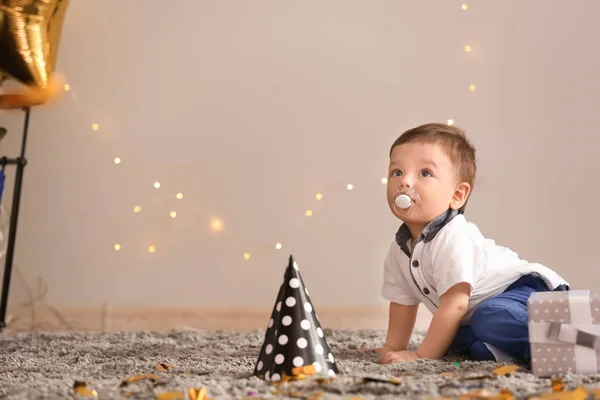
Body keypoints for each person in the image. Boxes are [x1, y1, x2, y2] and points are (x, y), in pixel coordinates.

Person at [364, 123, 568, 365]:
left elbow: (455, 304)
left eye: (425, 173)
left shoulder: (454, 238)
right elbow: (402, 302)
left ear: (457, 195)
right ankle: (520, 353)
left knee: (488, 318)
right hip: (478, 315)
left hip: (526, 293)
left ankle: (573, 336)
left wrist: (421, 355)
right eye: (397, 172)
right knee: (456, 339)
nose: (405, 182)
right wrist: (393, 347)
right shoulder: (401, 249)